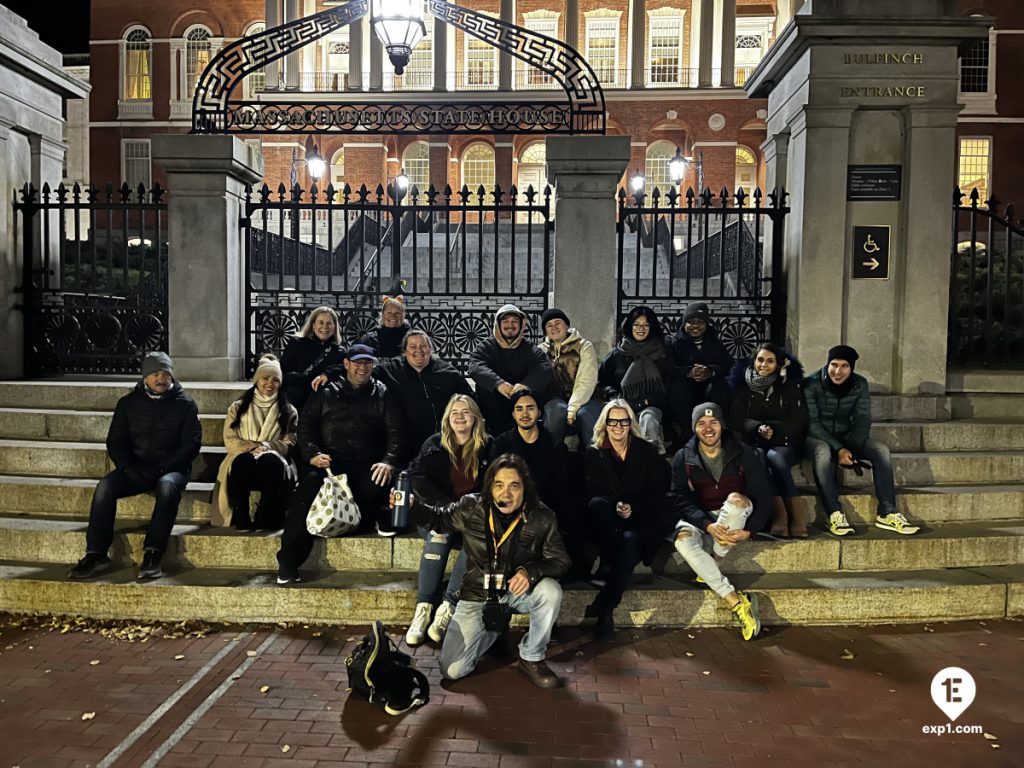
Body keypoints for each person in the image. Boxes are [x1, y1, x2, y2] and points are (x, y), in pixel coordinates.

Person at [403, 453, 571, 689]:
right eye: (499, 485)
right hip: (478, 593)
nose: (506, 493)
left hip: (517, 589)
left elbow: (560, 560)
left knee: (550, 591)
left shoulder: (542, 516)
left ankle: (531, 656)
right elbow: (440, 521)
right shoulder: (472, 506)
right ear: (490, 486)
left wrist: (530, 572)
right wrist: (412, 506)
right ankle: (493, 628)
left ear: (525, 488)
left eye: (514, 485)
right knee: (451, 670)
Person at [276, 344, 403, 584]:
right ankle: (288, 562)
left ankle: (373, 516)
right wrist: (313, 454)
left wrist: (388, 461)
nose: (362, 368)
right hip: (328, 463)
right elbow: (305, 427)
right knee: (305, 494)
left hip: (366, 463)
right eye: (357, 362)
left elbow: (395, 432)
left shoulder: (383, 393)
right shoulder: (326, 392)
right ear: (346, 364)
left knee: (381, 482)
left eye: (367, 363)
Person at [68, 352, 201, 581]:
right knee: (105, 488)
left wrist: (161, 469)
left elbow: (190, 446)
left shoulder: (186, 405)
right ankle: (96, 554)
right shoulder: (128, 403)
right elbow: (116, 442)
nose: (161, 379)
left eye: (165, 374)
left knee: (168, 487)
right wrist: (128, 467)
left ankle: (153, 553)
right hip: (136, 468)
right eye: (155, 374)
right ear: (145, 378)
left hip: (171, 469)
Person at [670, 403, 774, 641]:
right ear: (694, 428)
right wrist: (708, 525)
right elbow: (680, 499)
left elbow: (764, 496)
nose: (708, 429)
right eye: (701, 424)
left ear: (722, 425)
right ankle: (737, 602)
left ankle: (714, 562)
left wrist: (749, 532)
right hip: (702, 518)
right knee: (682, 540)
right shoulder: (683, 457)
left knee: (736, 501)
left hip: (735, 513)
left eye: (713, 422)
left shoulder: (744, 452)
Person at [803, 345, 920, 537]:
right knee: (823, 452)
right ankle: (834, 513)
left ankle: (887, 512)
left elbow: (862, 419)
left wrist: (852, 447)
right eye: (834, 365)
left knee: (881, 450)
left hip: (846, 435)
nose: (837, 371)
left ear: (852, 368)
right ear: (827, 364)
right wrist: (839, 449)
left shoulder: (860, 384)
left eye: (844, 366)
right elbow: (812, 424)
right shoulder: (812, 383)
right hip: (816, 437)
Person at [405, 394, 492, 647]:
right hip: (439, 513)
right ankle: (423, 609)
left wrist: (468, 509)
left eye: (465, 412)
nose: (460, 417)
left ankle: (447, 607)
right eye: (454, 413)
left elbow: (494, 484)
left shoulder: (489, 445)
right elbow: (418, 477)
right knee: (438, 534)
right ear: (447, 418)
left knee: (477, 541)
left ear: (475, 417)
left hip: (472, 519)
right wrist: (447, 508)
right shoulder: (434, 444)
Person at [584, 399, 674, 640]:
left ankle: (606, 606)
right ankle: (607, 605)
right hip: (607, 523)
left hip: (640, 519)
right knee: (600, 509)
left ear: (630, 424)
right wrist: (616, 506)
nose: (618, 426)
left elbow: (658, 493)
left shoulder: (645, 451)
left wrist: (633, 508)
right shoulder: (594, 453)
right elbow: (591, 492)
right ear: (604, 424)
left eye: (623, 421)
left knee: (630, 540)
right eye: (612, 421)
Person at [728, 342, 809, 538]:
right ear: (754, 361)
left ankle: (796, 514)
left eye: (770, 361)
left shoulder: (789, 386)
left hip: (782, 441)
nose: (764, 365)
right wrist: (757, 427)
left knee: (776, 458)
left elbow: (798, 420)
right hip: (753, 440)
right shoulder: (742, 386)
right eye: (760, 360)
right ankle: (779, 514)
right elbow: (736, 419)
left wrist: (774, 428)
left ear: (779, 364)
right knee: (758, 460)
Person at [213, 354, 298, 531]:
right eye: (265, 378)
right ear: (257, 380)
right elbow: (229, 437)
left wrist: (267, 446)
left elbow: (291, 440)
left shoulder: (289, 411)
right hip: (243, 457)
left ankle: (265, 512)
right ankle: (241, 513)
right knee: (243, 462)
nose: (270, 384)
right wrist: (248, 447)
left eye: (275, 380)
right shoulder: (238, 407)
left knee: (270, 462)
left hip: (273, 460)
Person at [373, 330, 473, 463]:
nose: (419, 350)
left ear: (430, 349)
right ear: (404, 351)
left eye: (423, 346)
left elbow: (470, 402)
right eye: (413, 347)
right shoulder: (390, 369)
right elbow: (361, 372)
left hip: (442, 445)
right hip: (405, 447)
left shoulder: (449, 373)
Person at [468, 304, 552, 435]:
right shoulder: (487, 346)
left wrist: (525, 385)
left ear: (521, 324)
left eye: (514, 321)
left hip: (522, 409)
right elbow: (475, 366)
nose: (510, 325)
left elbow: (544, 368)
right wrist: (498, 384)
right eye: (505, 321)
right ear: (498, 324)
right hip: (493, 411)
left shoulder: (529, 348)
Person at [598, 306, 672, 454]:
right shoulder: (617, 354)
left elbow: (667, 387)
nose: (641, 329)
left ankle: (648, 458)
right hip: (621, 405)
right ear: (629, 326)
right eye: (637, 325)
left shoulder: (662, 354)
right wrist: (613, 395)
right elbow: (602, 382)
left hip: (651, 405)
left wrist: (643, 403)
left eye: (646, 325)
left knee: (648, 418)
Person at [668, 303, 736, 441]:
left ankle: (717, 431)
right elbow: (667, 367)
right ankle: (687, 434)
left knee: (720, 386)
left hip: (708, 390)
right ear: (684, 323)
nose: (695, 326)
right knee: (677, 386)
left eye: (700, 322)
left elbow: (729, 366)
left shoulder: (715, 342)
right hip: (685, 392)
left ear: (706, 324)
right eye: (691, 322)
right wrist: (688, 372)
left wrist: (710, 371)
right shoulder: (673, 342)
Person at [537, 308, 602, 448]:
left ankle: (595, 460)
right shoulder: (541, 350)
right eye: (549, 325)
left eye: (558, 323)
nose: (554, 328)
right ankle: (551, 459)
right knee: (555, 413)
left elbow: (586, 381)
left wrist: (572, 409)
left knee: (587, 416)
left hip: (587, 398)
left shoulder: (584, 346)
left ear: (566, 325)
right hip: (555, 398)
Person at [490, 389, 565, 509]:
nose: (525, 414)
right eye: (519, 409)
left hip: (547, 508)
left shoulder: (555, 444)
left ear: (539, 412)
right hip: (511, 506)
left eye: (530, 408)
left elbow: (560, 488)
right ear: (513, 414)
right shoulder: (501, 445)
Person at [281, 306, 345, 411]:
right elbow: (286, 374)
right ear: (313, 324)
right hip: (296, 401)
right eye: (320, 322)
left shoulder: (339, 351)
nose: (325, 327)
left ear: (334, 327)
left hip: (323, 404)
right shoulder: (296, 344)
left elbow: (345, 369)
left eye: (329, 323)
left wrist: (327, 374)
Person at [359, 295, 411, 359]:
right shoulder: (369, 339)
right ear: (383, 315)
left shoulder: (412, 338)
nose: (393, 316)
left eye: (397, 313)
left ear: (403, 315)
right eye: (389, 312)